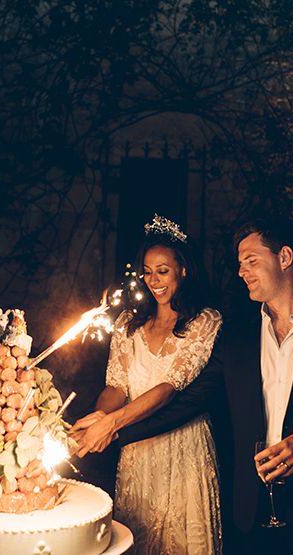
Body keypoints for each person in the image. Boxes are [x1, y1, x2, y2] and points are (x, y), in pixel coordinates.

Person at [115, 215, 293, 554]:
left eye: (251, 261)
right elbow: (190, 402)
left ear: (284, 258)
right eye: (239, 264)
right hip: (250, 517)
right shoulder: (237, 336)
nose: (242, 272)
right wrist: (114, 431)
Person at [72, 214, 223, 554]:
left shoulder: (205, 321)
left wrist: (112, 424)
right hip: (137, 454)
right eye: (147, 270)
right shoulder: (127, 323)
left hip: (184, 450)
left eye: (163, 270)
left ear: (183, 270)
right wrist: (98, 417)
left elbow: (170, 388)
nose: (153, 280)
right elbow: (116, 388)